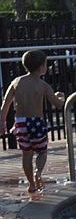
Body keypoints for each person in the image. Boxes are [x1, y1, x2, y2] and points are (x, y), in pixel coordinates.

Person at [0, 49, 65, 195]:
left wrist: (2, 122)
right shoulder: (42, 85)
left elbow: (6, 103)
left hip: (20, 123)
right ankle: (38, 173)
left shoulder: (16, 82)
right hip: (36, 122)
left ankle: (31, 184)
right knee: (42, 151)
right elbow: (58, 104)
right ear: (41, 67)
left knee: (26, 154)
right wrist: (61, 97)